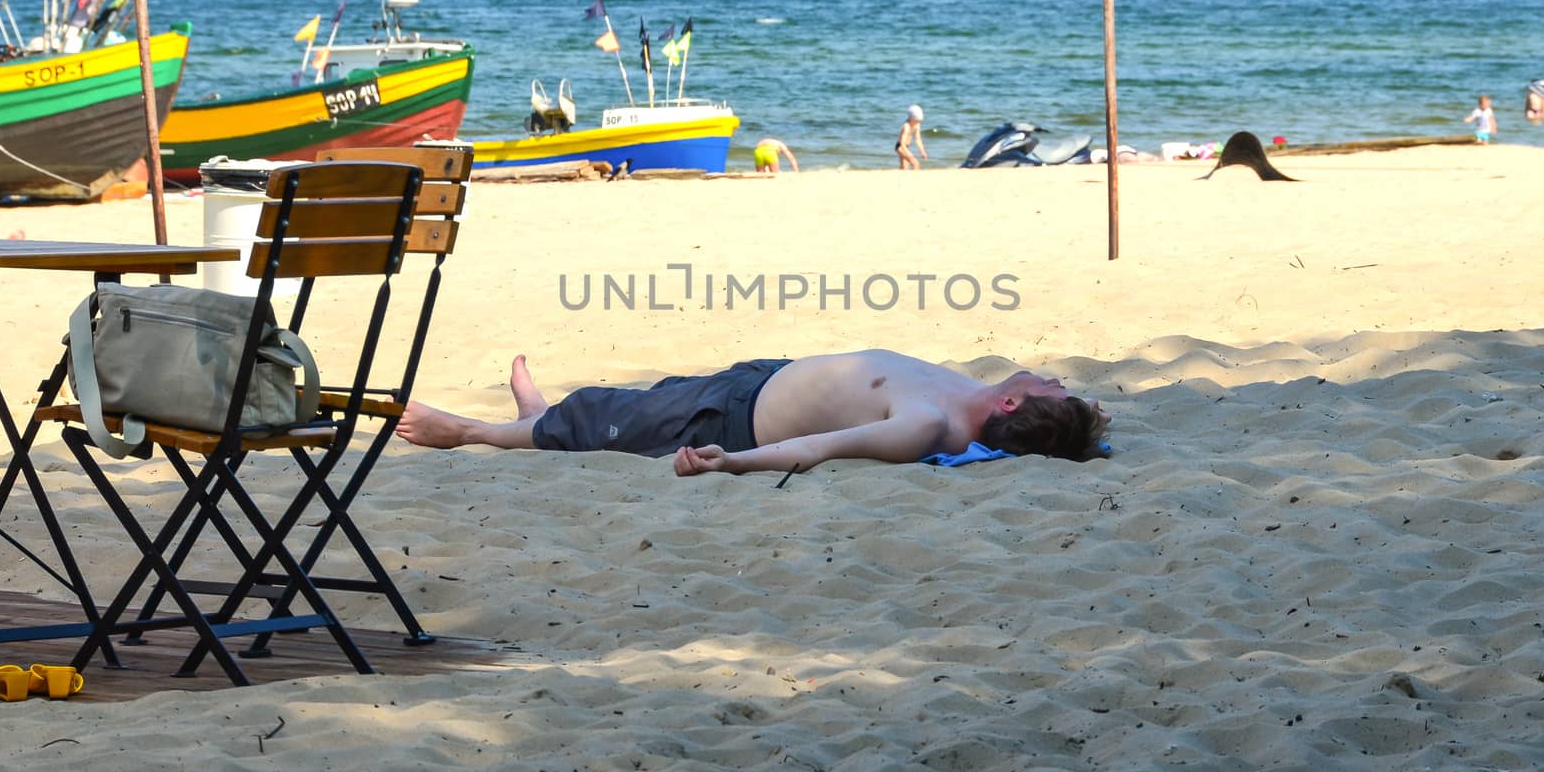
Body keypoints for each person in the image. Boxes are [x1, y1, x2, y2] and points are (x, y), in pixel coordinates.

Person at [395, 348, 1111, 477]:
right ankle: (539, 419)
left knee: (601, 416)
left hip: (728, 422)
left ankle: (466, 431)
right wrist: (1076, 423)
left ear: (1013, 402)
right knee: (624, 404)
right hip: (758, 379)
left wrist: (732, 461)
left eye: (1055, 386)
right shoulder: (975, 396)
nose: (1054, 375)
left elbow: (821, 449)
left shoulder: (931, 424)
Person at [895, 104, 928, 169]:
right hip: (901, 147)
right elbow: (902, 143)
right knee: (915, 163)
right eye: (916, 120)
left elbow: (918, 139)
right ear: (911, 118)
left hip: (906, 147)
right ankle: (914, 178)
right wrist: (908, 153)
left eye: (919, 120)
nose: (918, 122)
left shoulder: (917, 125)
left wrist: (922, 151)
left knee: (904, 167)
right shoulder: (906, 127)